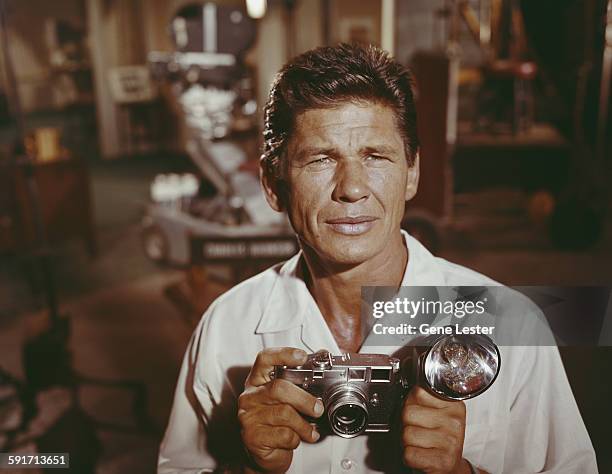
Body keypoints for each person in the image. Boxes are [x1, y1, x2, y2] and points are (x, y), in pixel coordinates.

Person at [158, 43, 597, 473]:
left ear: (412, 174)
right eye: (320, 159)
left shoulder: (510, 322)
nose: (352, 187)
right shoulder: (226, 326)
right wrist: (250, 468)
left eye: (375, 156)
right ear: (273, 186)